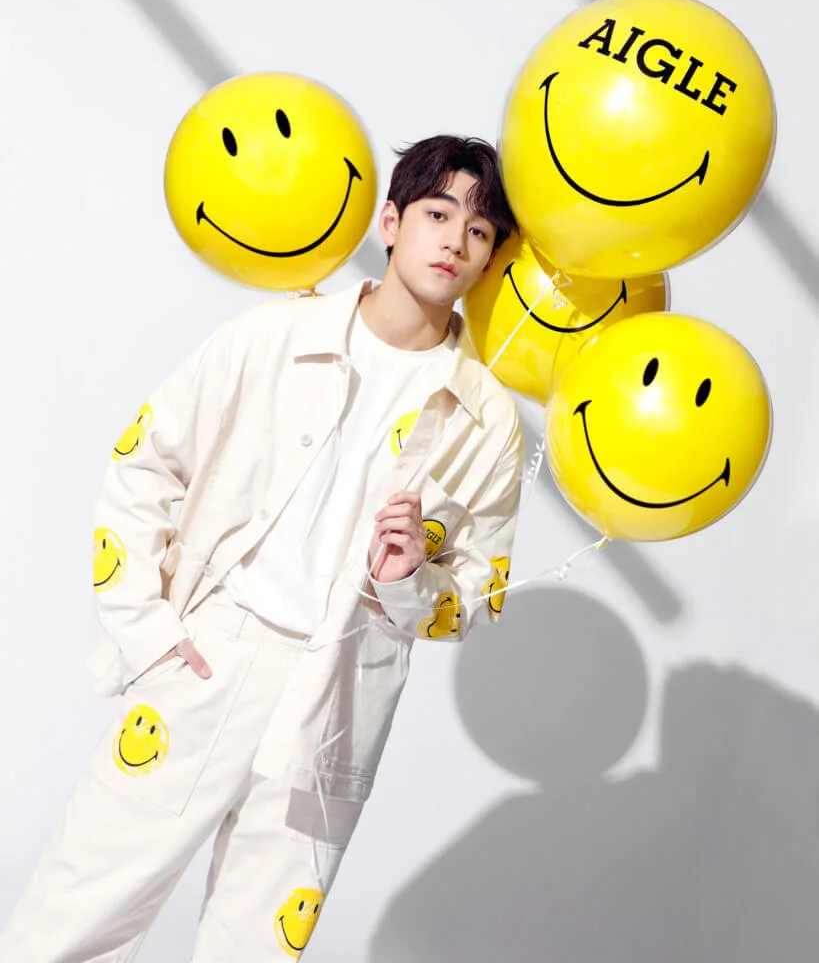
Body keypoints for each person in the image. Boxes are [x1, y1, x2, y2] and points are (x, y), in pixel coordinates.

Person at [0, 135, 524, 961]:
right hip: (210, 655)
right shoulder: (272, 337)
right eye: (437, 213)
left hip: (338, 698)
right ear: (390, 223)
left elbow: (475, 601)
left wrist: (407, 582)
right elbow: (144, 463)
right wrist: (150, 634)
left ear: (491, 256)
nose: (455, 240)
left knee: (256, 948)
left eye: (480, 229)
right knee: (76, 915)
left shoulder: (487, 418)